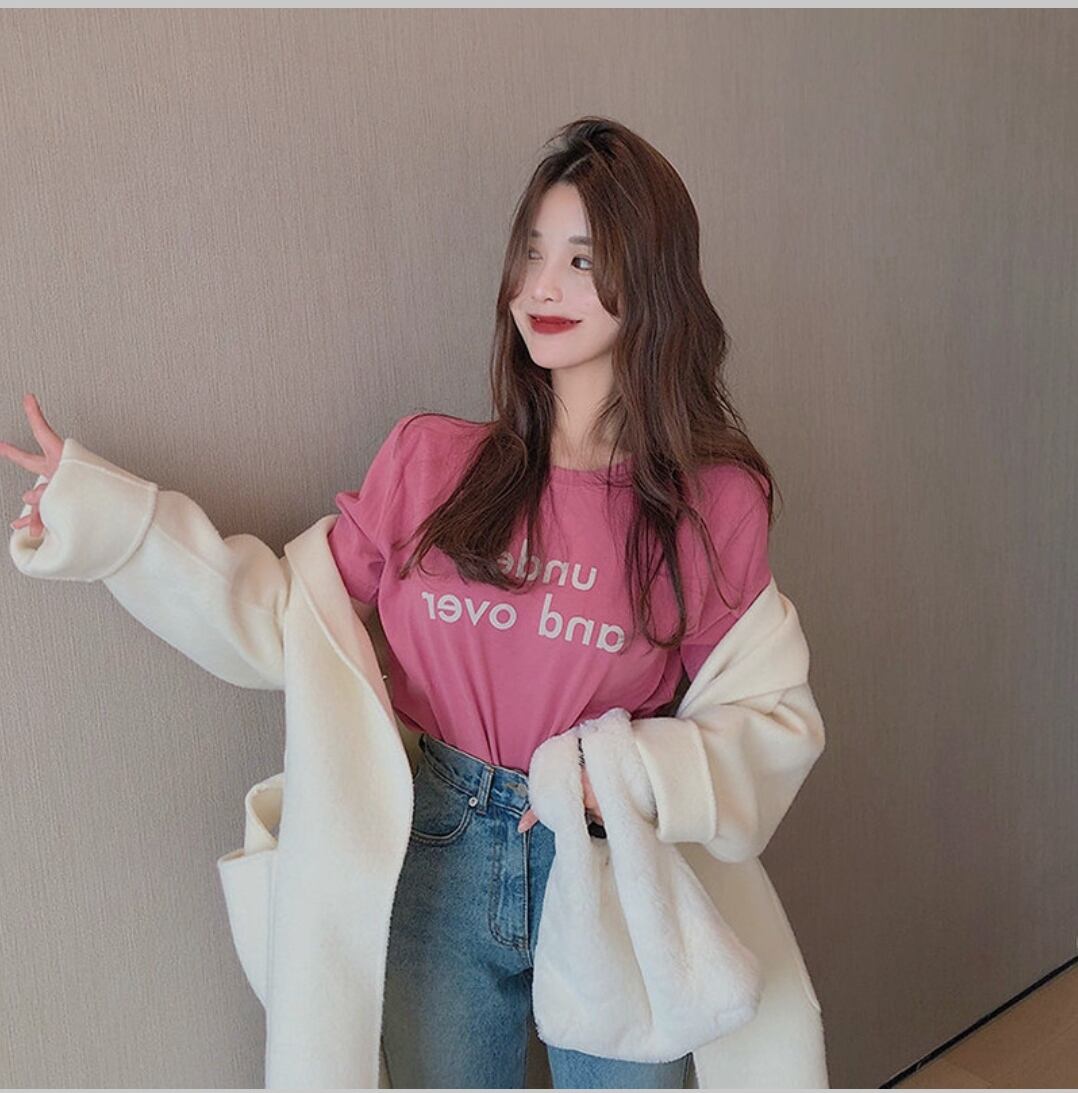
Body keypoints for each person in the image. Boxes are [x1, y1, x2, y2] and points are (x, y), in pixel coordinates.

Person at [3, 117, 794, 1089]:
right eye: (532, 253)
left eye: (582, 259)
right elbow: (285, 620)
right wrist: (112, 520)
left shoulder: (710, 506)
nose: (541, 287)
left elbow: (764, 716)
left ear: (653, 280)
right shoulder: (432, 462)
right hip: (439, 847)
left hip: (606, 858)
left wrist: (625, 773)